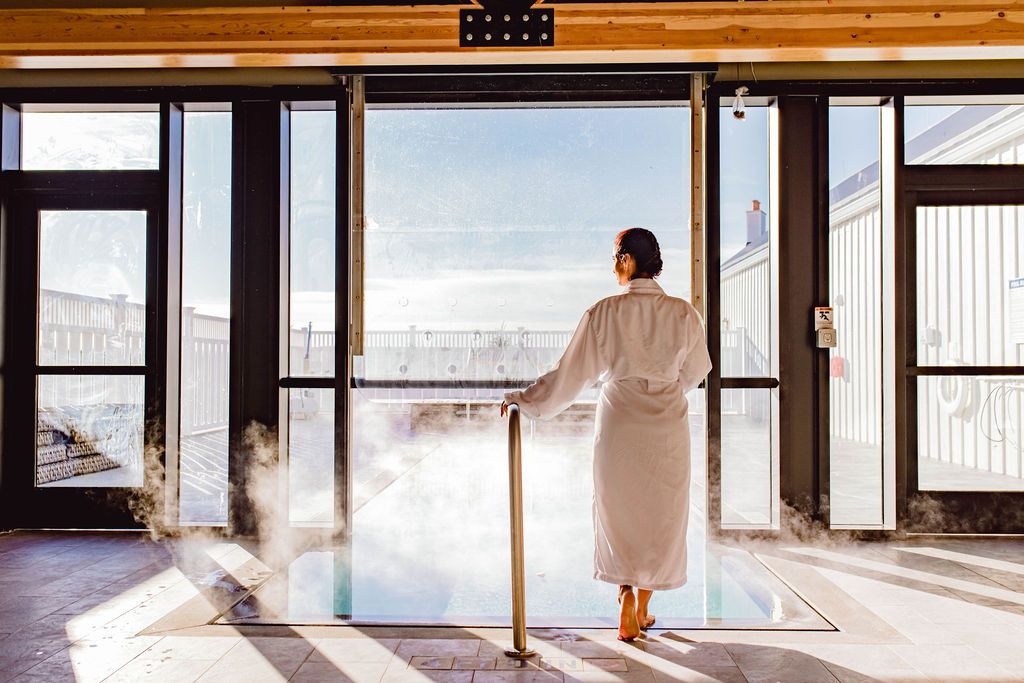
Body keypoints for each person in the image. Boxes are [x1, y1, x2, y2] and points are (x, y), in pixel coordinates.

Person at [500, 228, 712, 642]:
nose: (613, 266)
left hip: (620, 424)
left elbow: (570, 376)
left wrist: (523, 400)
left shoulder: (604, 312)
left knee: (619, 512)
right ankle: (645, 605)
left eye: (616, 258)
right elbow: (696, 371)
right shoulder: (684, 313)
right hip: (667, 426)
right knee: (662, 516)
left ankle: (626, 596)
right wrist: (663, 389)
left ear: (628, 261)